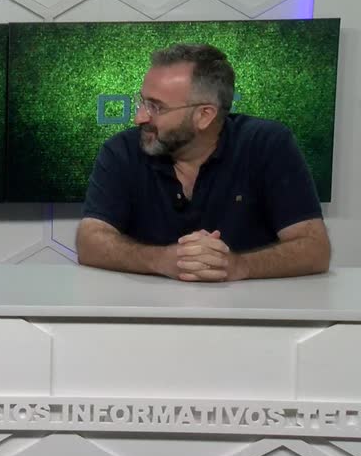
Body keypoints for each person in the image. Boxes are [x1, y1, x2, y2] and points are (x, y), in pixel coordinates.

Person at [76, 43, 329, 282]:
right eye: (142, 102)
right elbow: (90, 242)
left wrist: (238, 266)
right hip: (145, 306)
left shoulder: (267, 144)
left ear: (204, 115)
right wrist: (162, 260)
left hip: (248, 307)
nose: (139, 117)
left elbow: (314, 249)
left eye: (156, 107)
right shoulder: (121, 150)